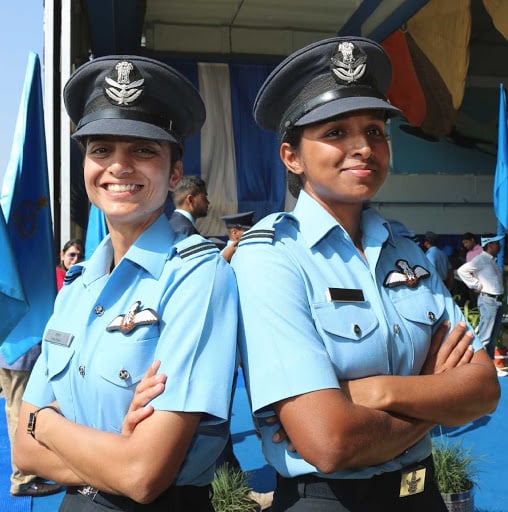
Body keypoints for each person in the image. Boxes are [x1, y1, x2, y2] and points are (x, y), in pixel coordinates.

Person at [229, 37, 500, 511]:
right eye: (335, 133)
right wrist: (432, 395)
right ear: (292, 157)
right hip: (330, 501)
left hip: (422, 495)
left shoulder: (405, 250)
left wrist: (378, 390)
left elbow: (483, 390)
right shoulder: (273, 258)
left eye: (375, 131)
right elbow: (330, 441)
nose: (363, 147)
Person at [13, 55, 238, 511]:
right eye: (101, 150)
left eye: (143, 150)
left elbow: (142, 476)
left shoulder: (196, 276)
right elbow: (22, 446)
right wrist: (115, 453)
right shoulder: (77, 288)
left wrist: (50, 427)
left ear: (174, 172)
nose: (118, 166)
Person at [0, 347, 62, 497]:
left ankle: (29, 471)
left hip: (8, 355)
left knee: (14, 411)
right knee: (21, 415)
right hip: (21, 357)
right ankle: (23, 480)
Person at [457, 234, 505, 363]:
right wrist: (476, 285)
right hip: (488, 300)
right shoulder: (480, 260)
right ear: (489, 245)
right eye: (496, 244)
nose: (499, 246)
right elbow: (462, 271)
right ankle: (478, 365)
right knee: (485, 337)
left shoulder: (491, 260)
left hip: (495, 300)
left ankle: (488, 365)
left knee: (492, 337)